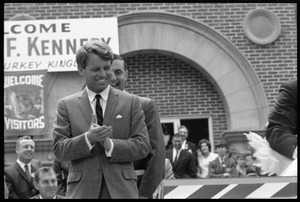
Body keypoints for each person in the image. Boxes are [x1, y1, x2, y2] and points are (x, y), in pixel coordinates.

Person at [52, 39, 151, 199]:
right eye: (96, 69)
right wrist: (88, 139)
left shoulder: (130, 101)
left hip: (122, 191)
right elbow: (59, 149)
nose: (103, 74)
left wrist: (110, 144)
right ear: (81, 70)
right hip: (82, 192)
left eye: (107, 68)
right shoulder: (66, 105)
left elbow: (143, 146)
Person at [111, 54, 165, 199]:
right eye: (108, 72)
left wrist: (144, 194)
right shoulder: (91, 108)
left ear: (126, 75)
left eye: (118, 72)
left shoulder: (144, 106)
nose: (113, 78)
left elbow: (157, 155)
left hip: (136, 190)